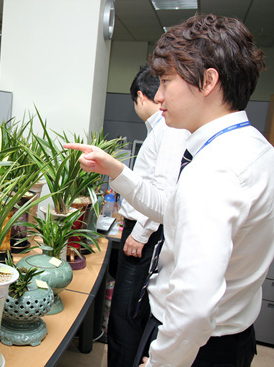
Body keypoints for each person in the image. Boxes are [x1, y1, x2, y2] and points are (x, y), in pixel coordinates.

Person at [65, 13, 274, 367]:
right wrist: (116, 170)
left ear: (208, 81)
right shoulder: (255, 149)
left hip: (196, 346)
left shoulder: (213, 171)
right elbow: (172, 211)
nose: (158, 97)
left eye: (166, 81)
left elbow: (194, 305)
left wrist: (162, 362)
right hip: (229, 336)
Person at [107, 65, 189, 367]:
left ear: (141, 96)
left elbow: (164, 190)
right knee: (126, 315)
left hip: (147, 235)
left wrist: (140, 233)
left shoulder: (169, 129)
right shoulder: (162, 129)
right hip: (142, 229)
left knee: (126, 317)